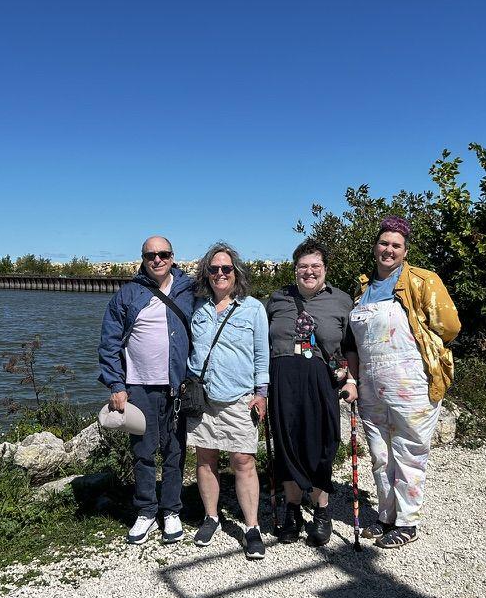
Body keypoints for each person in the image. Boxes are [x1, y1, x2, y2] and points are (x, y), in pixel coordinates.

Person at [346, 216, 461, 549]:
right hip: (371, 385)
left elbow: (449, 326)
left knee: (409, 451)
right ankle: (386, 516)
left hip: (411, 382)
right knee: (380, 453)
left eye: (396, 245)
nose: (389, 250)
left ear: (405, 251)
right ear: (375, 247)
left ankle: (408, 522)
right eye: (384, 243)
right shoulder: (363, 290)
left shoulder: (422, 281)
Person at [98, 235, 195, 545]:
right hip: (138, 386)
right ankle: (146, 510)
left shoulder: (188, 290)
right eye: (150, 255)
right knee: (142, 452)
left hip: (176, 385)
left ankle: (171, 510)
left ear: (172, 256)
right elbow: (109, 342)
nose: (157, 259)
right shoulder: (127, 294)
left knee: (174, 451)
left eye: (163, 254)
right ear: (143, 258)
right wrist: (116, 384)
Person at [265, 238, 357, 546]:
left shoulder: (341, 300)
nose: (309, 271)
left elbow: (350, 346)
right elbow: (260, 343)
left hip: (321, 380)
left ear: (325, 268)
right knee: (287, 443)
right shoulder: (277, 299)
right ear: (294, 270)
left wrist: (351, 380)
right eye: (303, 266)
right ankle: (292, 509)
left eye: (315, 265)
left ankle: (321, 509)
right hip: (283, 379)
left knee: (322, 444)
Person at [186, 243, 270, 560]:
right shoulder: (197, 307)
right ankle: (211, 517)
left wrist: (262, 392)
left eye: (226, 268)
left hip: (239, 397)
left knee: (243, 461)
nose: (220, 273)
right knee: (205, 458)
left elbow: (262, 355)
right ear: (206, 273)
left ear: (236, 272)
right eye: (214, 268)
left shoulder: (253, 309)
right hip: (203, 396)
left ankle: (251, 527)